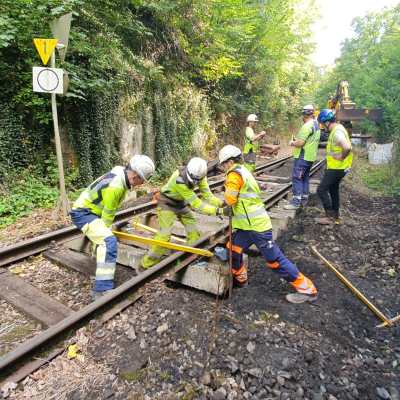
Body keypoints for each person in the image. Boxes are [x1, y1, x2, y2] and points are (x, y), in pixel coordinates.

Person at [219, 145, 318, 303]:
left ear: (230, 162)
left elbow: (229, 200)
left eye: (223, 164)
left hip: (257, 228)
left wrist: (220, 208)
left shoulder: (234, 175)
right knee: (233, 249)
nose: (223, 168)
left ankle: (308, 290)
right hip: (247, 227)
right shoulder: (244, 171)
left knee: (275, 260)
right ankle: (240, 279)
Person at [70, 155, 155, 298]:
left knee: (105, 239)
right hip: (83, 213)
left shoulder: (119, 173)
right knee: (109, 241)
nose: (141, 184)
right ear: (135, 175)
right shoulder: (117, 186)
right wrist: (105, 237)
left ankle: (97, 254)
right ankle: (102, 289)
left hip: (90, 210)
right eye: (142, 180)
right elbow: (108, 216)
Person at [141, 157, 226, 269]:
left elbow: (208, 195)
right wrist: (218, 211)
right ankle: (145, 264)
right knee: (164, 236)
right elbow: (197, 204)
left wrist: (223, 204)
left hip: (180, 203)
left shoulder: (201, 175)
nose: (196, 183)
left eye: (198, 180)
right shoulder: (179, 179)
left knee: (194, 232)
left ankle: (189, 257)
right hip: (166, 203)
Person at [316, 109, 353, 224]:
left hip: (337, 167)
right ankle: (336, 217)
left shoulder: (336, 132)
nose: (322, 126)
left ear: (326, 122)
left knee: (321, 189)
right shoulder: (339, 129)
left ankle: (329, 216)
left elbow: (347, 147)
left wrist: (341, 157)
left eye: (322, 123)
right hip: (339, 167)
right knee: (333, 190)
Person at [284, 105, 320, 210]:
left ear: (304, 114)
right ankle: (304, 199)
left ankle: (295, 202)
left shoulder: (306, 126)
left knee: (297, 178)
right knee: (305, 177)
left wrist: (292, 142)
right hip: (310, 156)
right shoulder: (315, 124)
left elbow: (300, 143)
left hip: (303, 156)